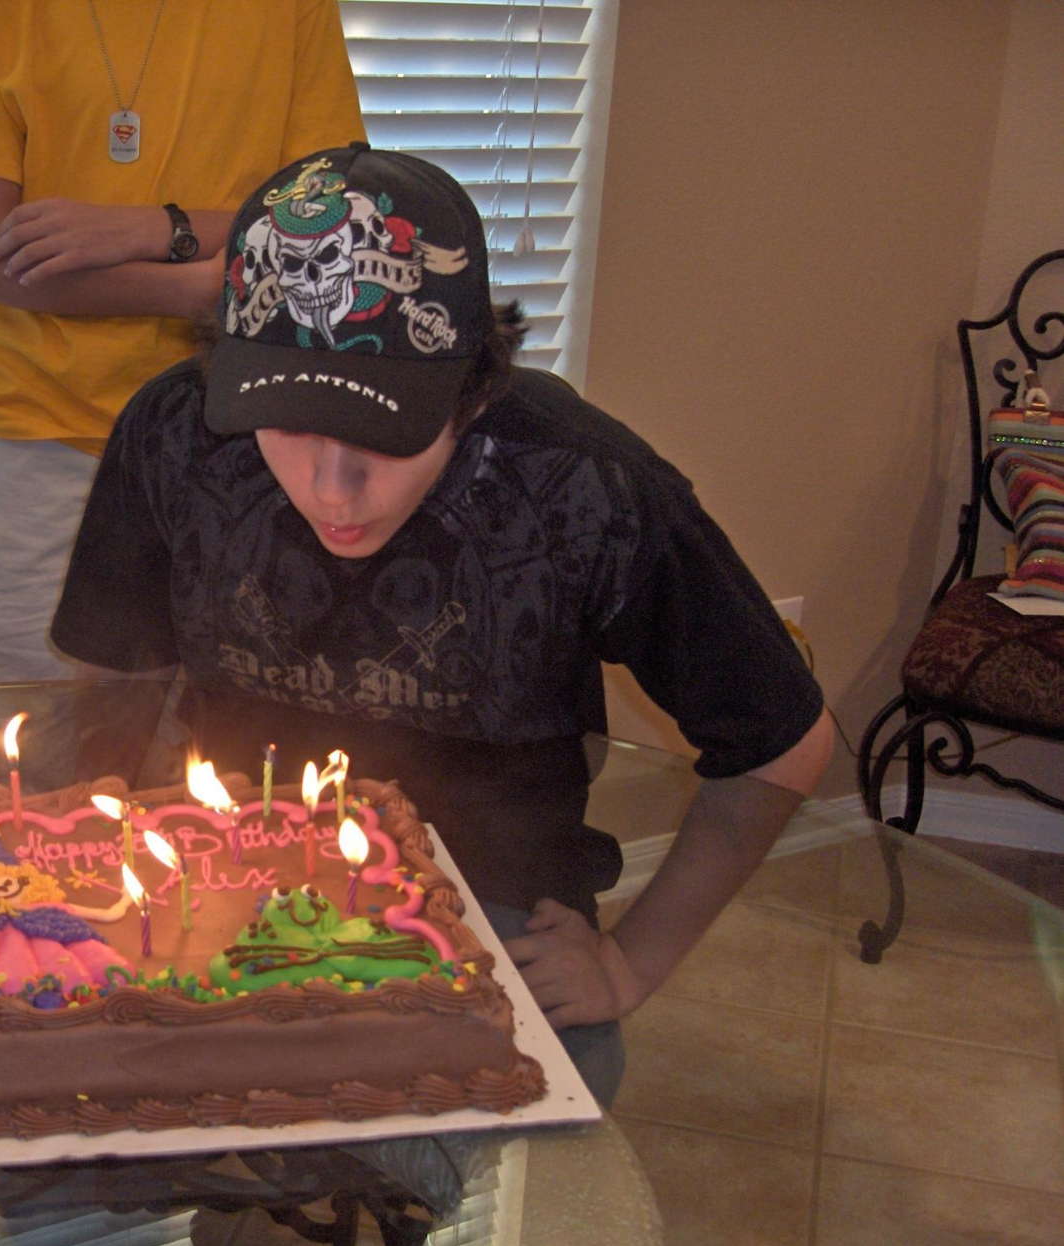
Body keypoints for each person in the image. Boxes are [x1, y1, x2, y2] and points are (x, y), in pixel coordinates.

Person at [48, 143, 836, 1104]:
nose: (331, 488)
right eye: (289, 425)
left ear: (477, 388)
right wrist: (90, 864)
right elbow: (117, 674)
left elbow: (782, 742)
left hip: (491, 908)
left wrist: (631, 964)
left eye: (383, 435)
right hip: (233, 880)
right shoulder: (176, 434)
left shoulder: (586, 485)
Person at [0, 0, 366, 686]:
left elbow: (331, 218)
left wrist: (154, 229)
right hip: (47, 443)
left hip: (244, 441)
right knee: (32, 737)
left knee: (217, 735)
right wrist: (196, 290)